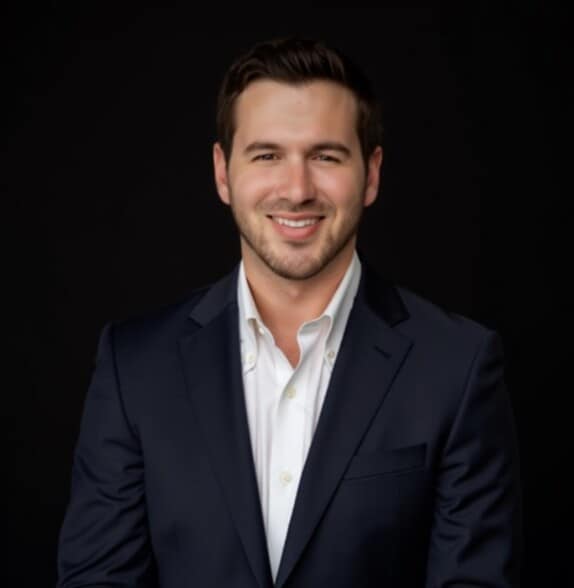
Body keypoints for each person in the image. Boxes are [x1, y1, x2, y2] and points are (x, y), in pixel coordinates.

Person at [57, 37, 522, 587]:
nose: (297, 189)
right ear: (223, 173)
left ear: (371, 174)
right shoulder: (134, 367)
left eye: (325, 156)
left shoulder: (457, 368)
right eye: (267, 155)